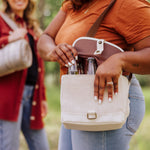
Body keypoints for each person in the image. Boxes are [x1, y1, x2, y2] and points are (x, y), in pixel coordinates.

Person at [37, 0, 150, 149]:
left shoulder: (126, 4)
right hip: (77, 101)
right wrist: (53, 50)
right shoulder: (71, 5)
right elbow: (46, 37)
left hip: (106, 101)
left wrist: (120, 60)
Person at [0, 0, 50, 150]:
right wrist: (8, 39)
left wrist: (43, 98)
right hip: (8, 98)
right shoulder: (1, 20)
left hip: (32, 96)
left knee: (42, 146)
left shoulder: (31, 26)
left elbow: (39, 65)